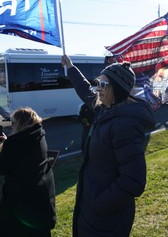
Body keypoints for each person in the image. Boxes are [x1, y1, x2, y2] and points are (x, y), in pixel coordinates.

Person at [61, 54, 155, 236]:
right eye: (98, 83)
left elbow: (134, 181)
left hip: (106, 218)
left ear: (118, 89)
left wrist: (98, 203)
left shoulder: (125, 124)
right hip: (92, 211)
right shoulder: (106, 109)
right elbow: (85, 90)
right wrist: (71, 67)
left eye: (103, 85)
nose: (98, 89)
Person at [0, 107, 56, 237]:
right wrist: (7, 143)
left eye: (13, 123)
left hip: (21, 198)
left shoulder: (15, 143)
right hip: (39, 194)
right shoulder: (39, 134)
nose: (12, 126)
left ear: (19, 124)